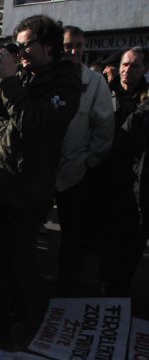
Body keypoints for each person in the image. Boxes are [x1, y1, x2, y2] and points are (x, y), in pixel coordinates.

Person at [0, 15, 81, 349]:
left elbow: (34, 124)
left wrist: (7, 79)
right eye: (16, 46)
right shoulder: (18, 76)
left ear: (48, 46)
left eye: (25, 45)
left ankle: (21, 319)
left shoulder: (64, 82)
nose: (19, 52)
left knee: (20, 260)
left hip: (27, 188)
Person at [50, 26, 114, 295]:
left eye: (78, 46)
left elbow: (104, 126)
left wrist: (90, 161)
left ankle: (67, 284)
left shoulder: (95, 82)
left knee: (73, 234)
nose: (73, 51)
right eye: (68, 46)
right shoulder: (48, 77)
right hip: (44, 168)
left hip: (77, 170)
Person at [100, 46, 149, 296]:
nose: (127, 70)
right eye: (125, 64)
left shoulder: (146, 102)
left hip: (135, 184)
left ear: (145, 70)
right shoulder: (105, 93)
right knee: (105, 239)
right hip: (105, 180)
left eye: (135, 65)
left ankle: (119, 288)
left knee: (130, 243)